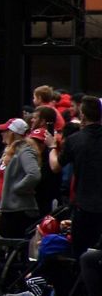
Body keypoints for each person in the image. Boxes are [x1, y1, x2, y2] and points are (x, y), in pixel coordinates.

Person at [50, 95, 102, 257]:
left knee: (80, 252)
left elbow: (55, 167)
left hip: (84, 206)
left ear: (83, 116)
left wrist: (52, 147)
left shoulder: (75, 140)